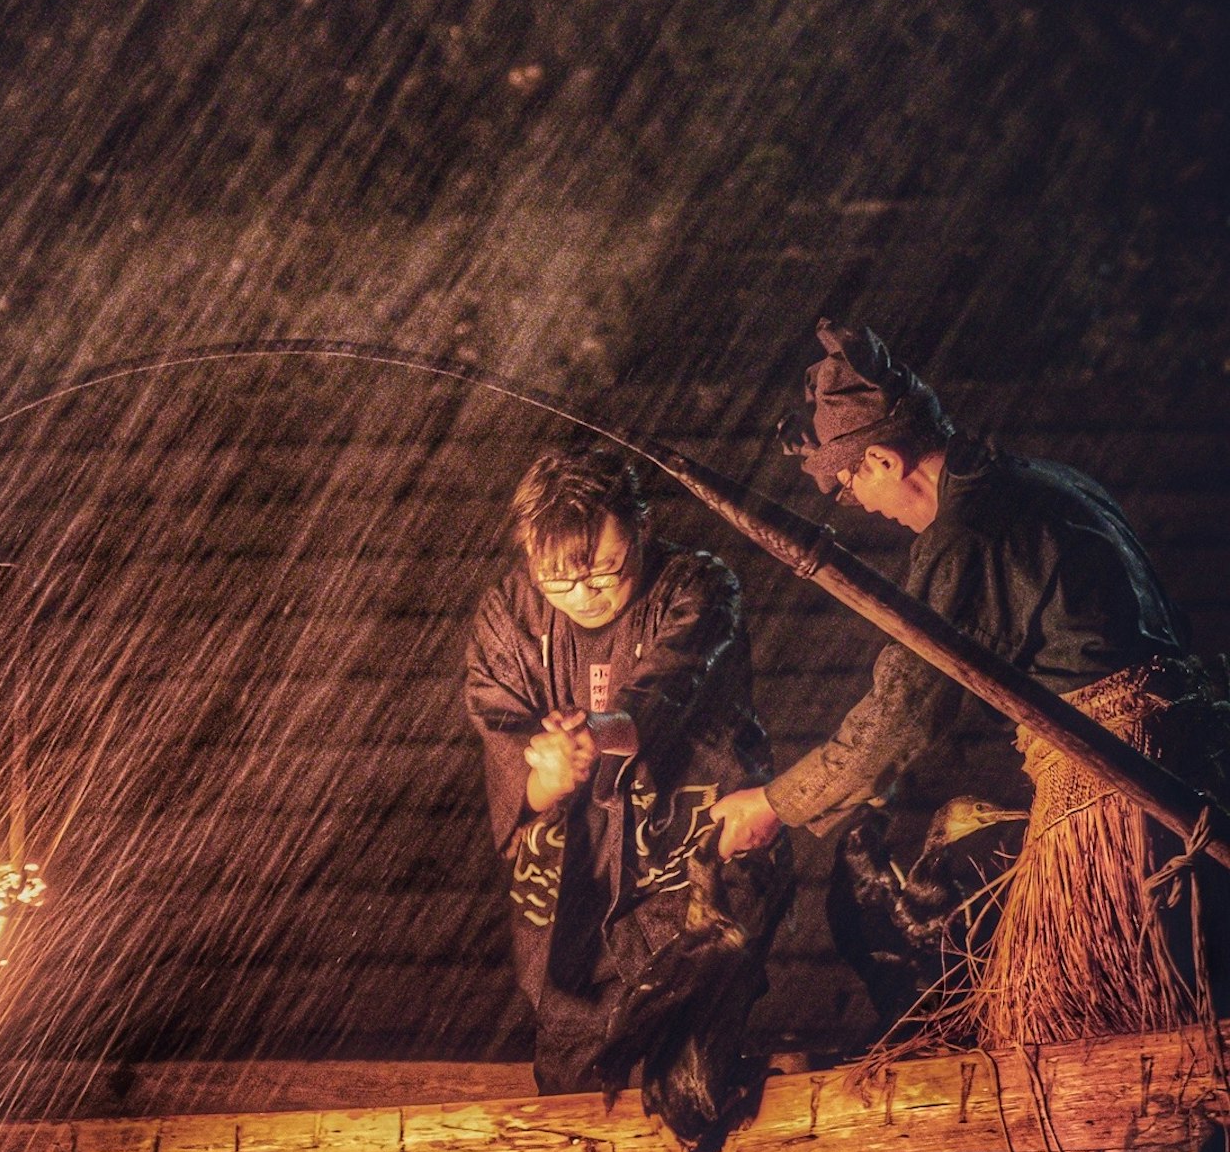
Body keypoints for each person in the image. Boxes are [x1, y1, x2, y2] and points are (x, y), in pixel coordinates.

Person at [714, 319, 1226, 1043]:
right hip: (1185, 776)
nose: (863, 505)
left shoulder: (966, 537)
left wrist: (776, 801)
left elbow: (902, 713)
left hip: (1117, 802)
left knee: (1075, 1030)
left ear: (886, 461)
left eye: (855, 484)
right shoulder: (1050, 482)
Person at [464, 446, 785, 1100]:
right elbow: (503, 730)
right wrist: (547, 770)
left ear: (642, 528)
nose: (586, 593)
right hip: (575, 881)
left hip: (688, 857)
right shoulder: (510, 616)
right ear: (526, 549)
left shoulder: (697, 586)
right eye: (560, 579)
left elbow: (669, 683)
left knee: (692, 1076)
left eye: (608, 570)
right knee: (575, 1069)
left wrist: (600, 732)